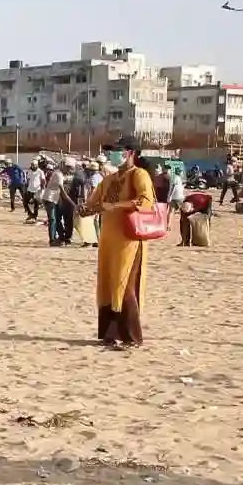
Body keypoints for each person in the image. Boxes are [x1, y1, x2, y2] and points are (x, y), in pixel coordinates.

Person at [80, 136, 157, 347]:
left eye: (118, 150)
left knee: (125, 285)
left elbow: (146, 202)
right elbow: (95, 204)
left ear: (131, 153)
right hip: (108, 240)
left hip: (129, 241)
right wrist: (85, 209)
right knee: (107, 284)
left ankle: (131, 336)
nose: (113, 154)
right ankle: (109, 334)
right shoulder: (109, 179)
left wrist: (117, 206)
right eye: (112, 150)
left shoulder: (139, 175)